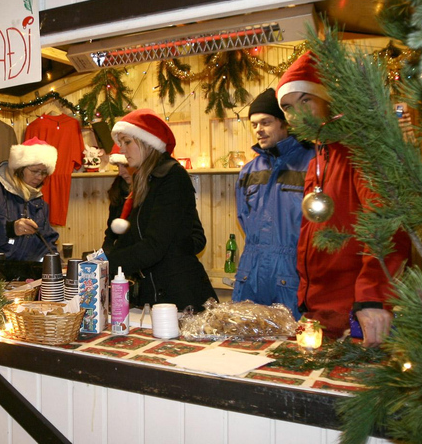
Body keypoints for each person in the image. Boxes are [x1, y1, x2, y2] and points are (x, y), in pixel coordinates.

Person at [276, 51, 411, 346]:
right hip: (320, 314)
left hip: (358, 318)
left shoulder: (362, 149)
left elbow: (387, 224)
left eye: (306, 100)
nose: (296, 114)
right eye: (287, 107)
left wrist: (373, 296)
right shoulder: (318, 159)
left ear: (328, 99)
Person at [106, 108, 217, 312]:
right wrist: (101, 259)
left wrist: (106, 265)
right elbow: (132, 239)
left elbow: (154, 245)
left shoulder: (172, 177)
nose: (122, 150)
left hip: (181, 295)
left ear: (148, 142)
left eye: (127, 142)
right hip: (154, 291)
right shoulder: (145, 181)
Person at [232, 88, 314, 320]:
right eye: (254, 124)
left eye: (265, 122)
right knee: (244, 347)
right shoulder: (249, 170)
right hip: (251, 272)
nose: (258, 130)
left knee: (294, 348)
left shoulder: (313, 162)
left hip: (294, 273)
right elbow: (243, 217)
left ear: (284, 123)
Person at [0, 137, 59, 261]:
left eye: (44, 173)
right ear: (19, 168)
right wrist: (10, 228)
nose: (39, 177)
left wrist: (55, 265)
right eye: (35, 171)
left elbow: (46, 242)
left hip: (25, 275)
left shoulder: (39, 202)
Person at [102, 144, 134, 256]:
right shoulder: (118, 191)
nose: (121, 172)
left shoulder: (151, 191)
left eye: (125, 166)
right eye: (118, 167)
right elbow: (111, 233)